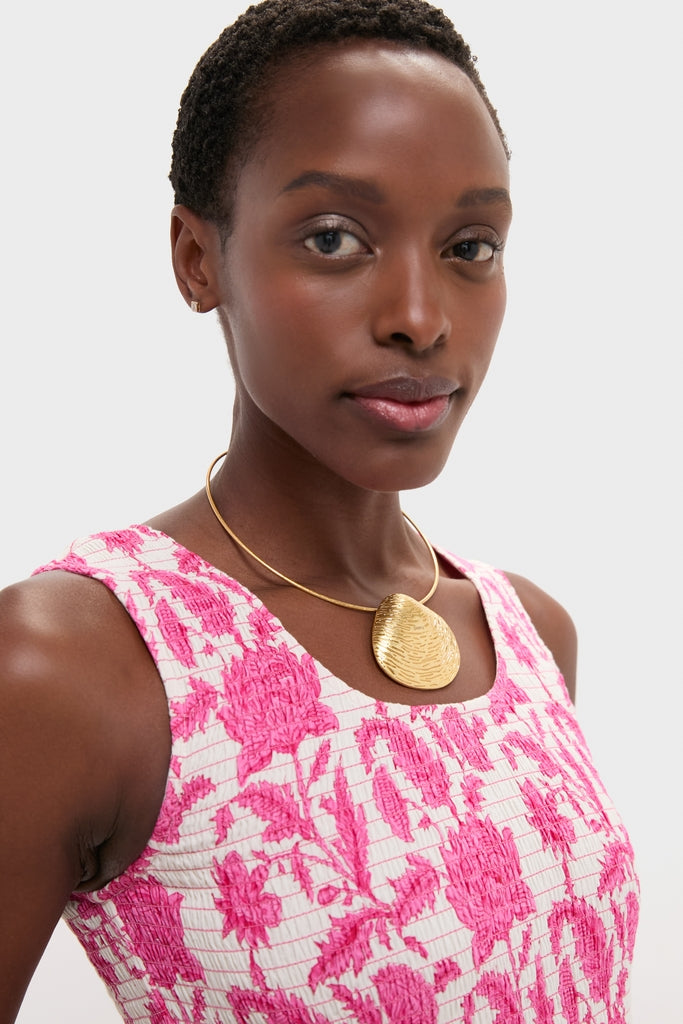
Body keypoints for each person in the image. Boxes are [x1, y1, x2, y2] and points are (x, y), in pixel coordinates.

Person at [0, 0, 639, 1021]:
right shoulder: (77, 664)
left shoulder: (529, 631)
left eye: (469, 245)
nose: (420, 319)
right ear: (196, 257)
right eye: (335, 238)